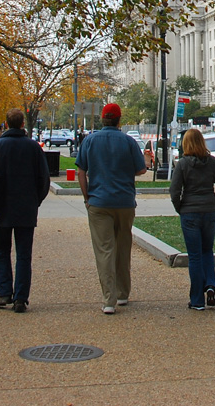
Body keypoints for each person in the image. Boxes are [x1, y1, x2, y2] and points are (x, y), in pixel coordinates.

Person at [75, 102, 146, 314]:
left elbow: (81, 171)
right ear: (118, 120)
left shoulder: (90, 141)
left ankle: (109, 299)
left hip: (99, 201)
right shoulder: (128, 141)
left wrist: (87, 197)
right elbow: (141, 169)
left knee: (104, 250)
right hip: (124, 201)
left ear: (102, 119)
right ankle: (123, 293)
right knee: (123, 248)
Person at [0, 108, 50, 313]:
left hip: (2, 208)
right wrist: (35, 201)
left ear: (6, 123)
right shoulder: (33, 148)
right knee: (23, 254)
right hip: (26, 208)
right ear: (23, 124)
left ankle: (4, 292)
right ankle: (21, 297)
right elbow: (43, 179)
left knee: (1, 249)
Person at [169, 127, 215, 311]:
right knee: (207, 250)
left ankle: (197, 300)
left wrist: (180, 207)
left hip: (190, 211)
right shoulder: (212, 162)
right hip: (209, 210)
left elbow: (174, 191)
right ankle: (210, 285)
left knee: (194, 256)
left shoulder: (183, 164)